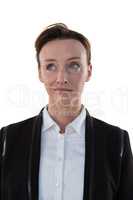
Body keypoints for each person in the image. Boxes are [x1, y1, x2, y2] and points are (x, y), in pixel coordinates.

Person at [0, 23, 133, 200]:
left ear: (89, 71)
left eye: (74, 65)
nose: (61, 78)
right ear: (39, 72)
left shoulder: (117, 142)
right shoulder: (7, 140)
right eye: (50, 66)